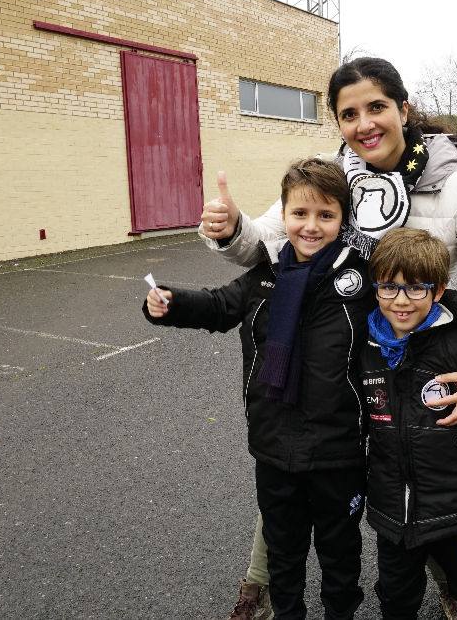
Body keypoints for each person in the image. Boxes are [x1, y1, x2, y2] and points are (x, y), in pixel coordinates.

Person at [199, 56, 457, 618]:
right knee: (298, 465)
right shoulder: (332, 173)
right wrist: (232, 229)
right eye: (349, 114)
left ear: (404, 108)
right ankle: (263, 581)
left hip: (421, 357)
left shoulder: (454, 185)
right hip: (335, 352)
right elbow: (268, 244)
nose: (364, 124)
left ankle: (449, 573)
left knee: (421, 471)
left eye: (377, 107)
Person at [144, 159, 370, 618]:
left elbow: (417, 306)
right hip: (273, 447)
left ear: (343, 220)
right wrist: (167, 301)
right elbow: (217, 306)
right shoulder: (265, 275)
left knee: (340, 559)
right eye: (300, 214)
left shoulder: (361, 280)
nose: (311, 227)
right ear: (283, 216)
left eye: (326, 216)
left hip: (338, 452)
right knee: (284, 558)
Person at [363, 227, 457, 619]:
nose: (401, 300)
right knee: (396, 600)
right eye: (389, 288)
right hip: (391, 514)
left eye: (416, 288)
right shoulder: (362, 348)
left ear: (439, 290)